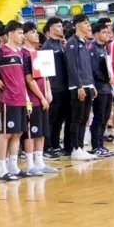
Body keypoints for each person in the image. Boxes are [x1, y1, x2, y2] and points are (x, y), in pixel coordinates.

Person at [0, 21, 31, 180]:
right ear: (10, 34)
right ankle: (1, 168)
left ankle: (13, 166)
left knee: (18, 133)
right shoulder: (1, 52)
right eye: (20, 33)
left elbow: (22, 78)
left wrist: (27, 98)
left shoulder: (21, 53)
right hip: (9, 99)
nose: (22, 36)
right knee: (6, 133)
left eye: (23, 33)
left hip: (21, 98)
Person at [22, 23, 56, 175]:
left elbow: (45, 75)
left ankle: (39, 162)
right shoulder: (23, 54)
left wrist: (48, 92)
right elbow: (29, 80)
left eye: (36, 32)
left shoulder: (39, 53)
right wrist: (41, 97)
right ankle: (30, 164)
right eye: (32, 32)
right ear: (24, 35)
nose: (36, 34)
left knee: (42, 131)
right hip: (32, 99)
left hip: (43, 97)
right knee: (31, 132)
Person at [64, 15, 96, 161]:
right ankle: (75, 148)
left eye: (88, 23)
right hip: (78, 86)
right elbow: (72, 66)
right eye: (85, 23)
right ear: (77, 25)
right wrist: (79, 86)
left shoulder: (84, 42)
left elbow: (87, 66)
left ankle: (81, 147)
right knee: (76, 118)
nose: (88, 25)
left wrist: (92, 84)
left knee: (84, 118)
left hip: (87, 84)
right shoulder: (72, 43)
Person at [41, 17, 69, 158]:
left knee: (60, 119)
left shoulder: (61, 44)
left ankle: (56, 144)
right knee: (51, 119)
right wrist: (48, 89)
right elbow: (45, 71)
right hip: (54, 88)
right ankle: (47, 147)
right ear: (51, 29)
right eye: (58, 26)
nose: (61, 28)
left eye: (61, 26)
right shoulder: (47, 46)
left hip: (64, 87)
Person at [88, 21, 114, 158]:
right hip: (99, 87)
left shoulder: (104, 48)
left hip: (107, 88)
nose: (107, 35)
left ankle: (101, 143)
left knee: (105, 117)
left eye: (107, 32)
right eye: (104, 32)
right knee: (98, 117)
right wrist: (107, 78)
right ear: (96, 34)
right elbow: (94, 70)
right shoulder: (93, 49)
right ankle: (95, 145)